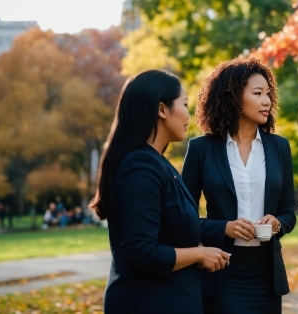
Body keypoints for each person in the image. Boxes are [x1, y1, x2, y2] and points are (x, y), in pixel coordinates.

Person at [89, 69, 231, 314]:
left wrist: (221, 231)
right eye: (185, 105)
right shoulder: (139, 167)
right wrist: (198, 254)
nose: (190, 114)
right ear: (162, 109)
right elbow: (141, 252)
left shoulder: (157, 162)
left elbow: (174, 225)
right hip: (148, 302)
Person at [182, 57, 296, 314]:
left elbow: (288, 212)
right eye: (258, 93)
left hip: (267, 274)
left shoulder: (279, 147)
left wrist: (278, 224)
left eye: (268, 94)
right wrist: (225, 228)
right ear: (232, 96)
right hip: (221, 270)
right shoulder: (201, 149)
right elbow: (183, 217)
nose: (267, 101)